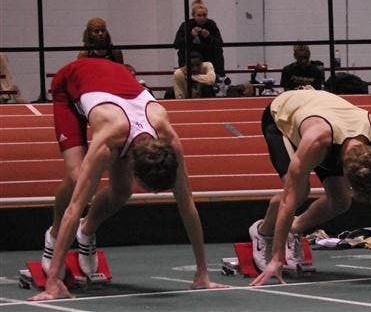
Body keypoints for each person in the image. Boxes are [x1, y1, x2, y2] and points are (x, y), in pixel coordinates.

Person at [30, 57, 226, 301]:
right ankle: (54, 235)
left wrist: (202, 272)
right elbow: (75, 208)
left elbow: (187, 205)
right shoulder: (107, 142)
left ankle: (86, 231)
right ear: (132, 165)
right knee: (77, 179)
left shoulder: (169, 139)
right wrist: (53, 282)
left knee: (122, 192)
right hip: (71, 83)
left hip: (115, 81)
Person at [249, 90, 371, 285]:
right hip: (282, 113)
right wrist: (276, 259)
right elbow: (288, 199)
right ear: (346, 171)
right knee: (300, 191)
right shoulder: (316, 141)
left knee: (341, 201)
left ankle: (292, 229)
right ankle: (263, 232)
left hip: (329, 121)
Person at [173, 0, 225, 79]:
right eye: (199, 15)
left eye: (204, 15)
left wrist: (208, 37)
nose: (202, 18)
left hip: (208, 58)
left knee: (218, 50)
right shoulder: (186, 25)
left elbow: (220, 43)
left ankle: (219, 76)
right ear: (193, 15)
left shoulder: (211, 24)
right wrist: (190, 36)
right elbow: (176, 44)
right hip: (191, 60)